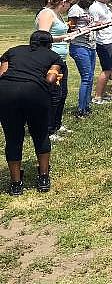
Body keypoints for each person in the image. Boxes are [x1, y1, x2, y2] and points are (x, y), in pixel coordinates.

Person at [0, 31, 64, 195]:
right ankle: (43, 177)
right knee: (40, 134)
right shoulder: (53, 56)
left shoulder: (12, 51)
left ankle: (16, 184)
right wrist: (54, 82)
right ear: (49, 44)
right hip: (34, 93)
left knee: (12, 137)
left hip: (6, 93)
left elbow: (2, 74)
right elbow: (50, 79)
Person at [36, 0, 74, 139]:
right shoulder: (47, 13)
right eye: (69, 4)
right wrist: (64, 37)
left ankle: (57, 124)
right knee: (53, 95)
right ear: (63, 2)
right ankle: (48, 129)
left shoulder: (58, 15)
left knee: (62, 93)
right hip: (50, 61)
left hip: (60, 60)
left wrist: (70, 35)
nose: (69, 7)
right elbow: (42, 37)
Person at [68, 0, 97, 119]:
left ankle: (86, 106)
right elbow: (70, 30)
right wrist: (87, 29)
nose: (90, 3)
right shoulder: (75, 9)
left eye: (93, 0)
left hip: (91, 46)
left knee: (90, 77)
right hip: (79, 46)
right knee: (86, 77)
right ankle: (81, 109)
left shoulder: (87, 10)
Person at [89, 0, 112, 104]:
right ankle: (97, 97)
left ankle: (102, 93)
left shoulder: (106, 6)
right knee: (107, 69)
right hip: (103, 42)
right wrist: (107, 24)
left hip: (110, 40)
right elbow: (93, 25)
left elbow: (107, 21)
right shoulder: (94, 8)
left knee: (110, 68)